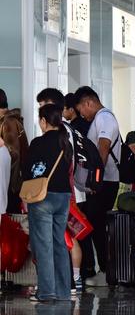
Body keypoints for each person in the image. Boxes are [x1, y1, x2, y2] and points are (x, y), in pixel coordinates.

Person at [74, 86, 122, 288]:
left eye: (81, 110)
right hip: (104, 181)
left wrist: (96, 179)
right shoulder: (100, 118)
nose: (82, 115)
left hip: (105, 182)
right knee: (96, 225)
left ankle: (106, 272)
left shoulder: (104, 118)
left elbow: (103, 147)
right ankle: (105, 270)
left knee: (98, 226)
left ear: (88, 102)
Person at [24, 104, 73, 302]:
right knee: (59, 242)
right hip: (63, 196)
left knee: (43, 245)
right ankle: (63, 291)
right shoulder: (65, 142)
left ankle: (46, 292)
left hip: (42, 196)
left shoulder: (38, 143)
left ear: (44, 121)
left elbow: (28, 170)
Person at [1, 112, 28, 215]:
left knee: (11, 216)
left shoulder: (9, 123)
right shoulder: (11, 121)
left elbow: (13, 155)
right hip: (14, 179)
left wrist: (11, 184)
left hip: (12, 182)